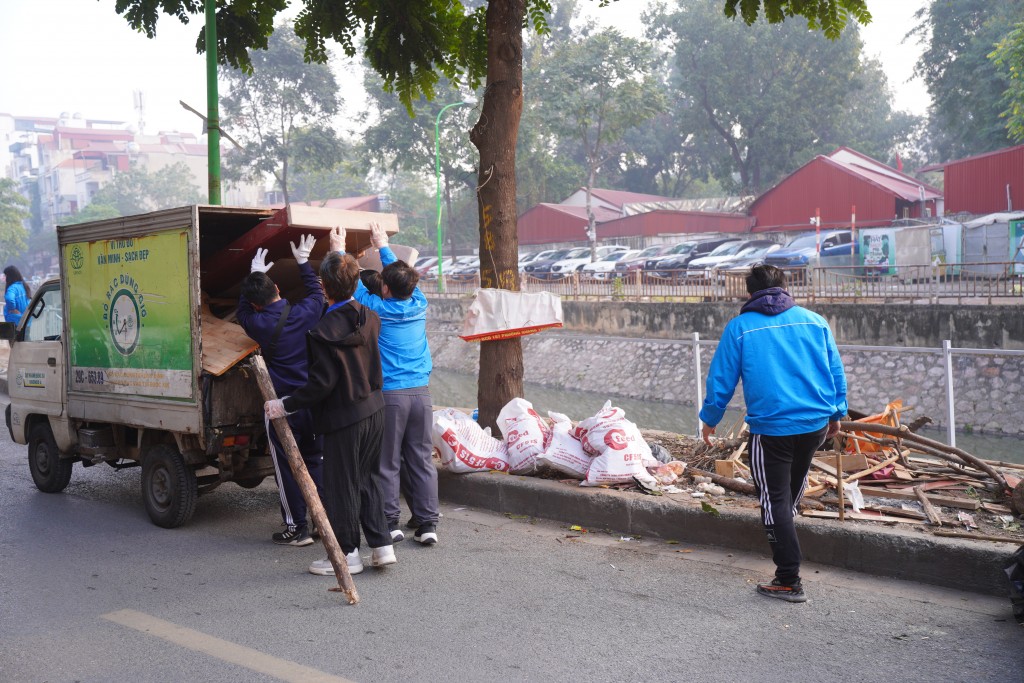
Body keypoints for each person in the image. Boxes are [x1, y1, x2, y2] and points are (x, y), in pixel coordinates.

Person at [699, 264, 847, 604]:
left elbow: (721, 380)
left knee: (775, 500)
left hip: (772, 430)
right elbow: (835, 370)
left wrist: (710, 419)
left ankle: (788, 579)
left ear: (749, 293)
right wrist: (838, 412)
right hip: (814, 426)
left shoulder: (740, 328)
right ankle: (785, 542)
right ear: (784, 288)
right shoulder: (814, 321)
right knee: (789, 495)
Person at [265, 249, 395, 577]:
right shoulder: (370, 317)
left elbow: (321, 384)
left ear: (324, 286)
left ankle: (348, 553)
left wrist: (286, 404)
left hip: (344, 419)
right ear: (355, 283)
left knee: (340, 487)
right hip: (375, 410)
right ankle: (381, 546)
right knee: (367, 478)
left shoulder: (322, 331)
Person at [337, 223, 439, 546]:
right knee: (421, 459)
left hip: (392, 395)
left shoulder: (377, 309)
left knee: (387, 461)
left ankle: (390, 522)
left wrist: (339, 250)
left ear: (384, 290)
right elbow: (401, 276)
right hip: (422, 394)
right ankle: (427, 525)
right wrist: (382, 245)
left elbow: (349, 285)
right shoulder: (419, 302)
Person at [237, 236, 325, 547]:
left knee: (287, 466)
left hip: (282, 405)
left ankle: (296, 527)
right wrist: (303, 262)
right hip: (315, 402)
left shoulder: (257, 322)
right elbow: (318, 292)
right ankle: (321, 520)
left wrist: (252, 274)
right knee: (315, 459)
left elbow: (242, 312)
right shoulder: (306, 312)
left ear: (257, 303)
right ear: (279, 290)